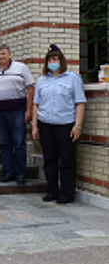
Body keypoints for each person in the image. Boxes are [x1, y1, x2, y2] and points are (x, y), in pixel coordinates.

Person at [32, 45, 86, 204]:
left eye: (55, 59)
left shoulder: (73, 78)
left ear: (61, 60)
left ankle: (67, 194)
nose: (52, 62)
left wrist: (78, 125)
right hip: (45, 124)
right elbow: (36, 104)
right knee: (49, 159)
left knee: (67, 160)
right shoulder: (42, 80)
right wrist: (34, 126)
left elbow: (80, 103)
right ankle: (52, 191)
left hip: (65, 125)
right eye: (49, 59)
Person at [0, 44, 35, 185]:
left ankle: (21, 174)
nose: (1, 57)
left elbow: (31, 88)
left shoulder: (21, 68)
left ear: (9, 54)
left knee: (19, 142)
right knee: (4, 142)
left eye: (3, 54)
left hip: (18, 111)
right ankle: (8, 172)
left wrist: (29, 110)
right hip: (0, 112)